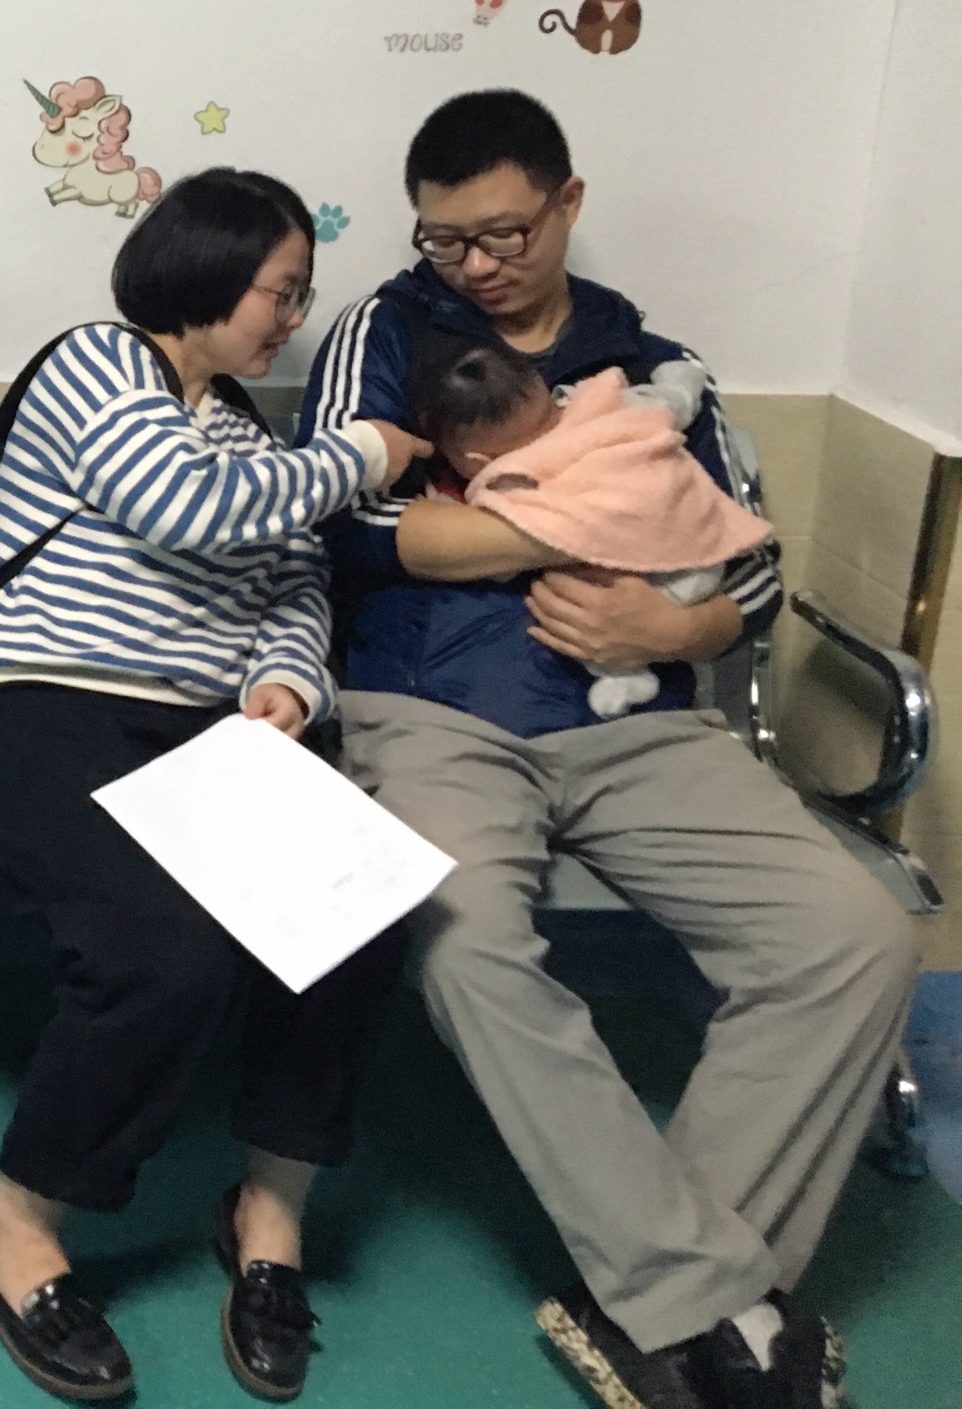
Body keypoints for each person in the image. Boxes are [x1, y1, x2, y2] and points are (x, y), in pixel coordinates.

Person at [299, 90, 916, 1409]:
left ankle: (664, 1301)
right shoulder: (385, 333)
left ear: (567, 202)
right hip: (437, 710)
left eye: (503, 233)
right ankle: (720, 1314)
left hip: (642, 719)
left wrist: (680, 621)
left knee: (853, 936)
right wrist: (595, 525)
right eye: (445, 238)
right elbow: (349, 524)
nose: (474, 264)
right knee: (461, 936)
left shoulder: (655, 363)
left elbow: (746, 560)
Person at [0, 171, 428, 1405]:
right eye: (280, 291)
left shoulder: (258, 443)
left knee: (357, 909)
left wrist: (285, 685)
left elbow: (298, 585)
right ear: (204, 273)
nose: (291, 318)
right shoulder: (95, 364)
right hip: (43, 697)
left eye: (302, 296)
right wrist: (362, 455)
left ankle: (267, 1215)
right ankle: (13, 1228)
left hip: (208, 726)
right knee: (161, 953)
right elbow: (186, 509)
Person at [406, 341, 767, 717]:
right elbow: (667, 406)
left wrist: (446, 508)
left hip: (656, 579)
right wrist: (680, 385)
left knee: (576, 602)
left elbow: (504, 563)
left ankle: (622, 674)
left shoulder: (511, 478)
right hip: (704, 538)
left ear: (476, 461)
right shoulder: (598, 402)